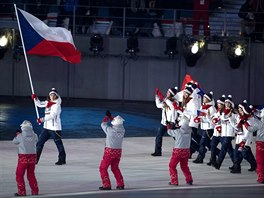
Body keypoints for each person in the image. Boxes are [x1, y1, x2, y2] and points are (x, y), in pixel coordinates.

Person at [32, 88, 66, 165]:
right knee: (40, 143)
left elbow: (52, 115)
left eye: (53, 95)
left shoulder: (57, 105)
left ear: (56, 96)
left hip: (55, 129)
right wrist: (35, 98)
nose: (52, 96)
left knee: (58, 144)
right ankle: (35, 160)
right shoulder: (48, 103)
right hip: (46, 128)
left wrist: (42, 119)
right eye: (51, 95)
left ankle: (62, 159)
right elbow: (40, 104)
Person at [99, 111, 125, 190]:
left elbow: (103, 124)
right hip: (118, 152)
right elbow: (116, 123)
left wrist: (107, 117)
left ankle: (107, 185)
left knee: (103, 168)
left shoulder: (110, 130)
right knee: (115, 168)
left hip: (109, 152)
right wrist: (110, 117)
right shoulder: (123, 130)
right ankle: (121, 184)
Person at [229, 100, 257, 174]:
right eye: (239, 109)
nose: (239, 111)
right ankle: (237, 168)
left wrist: (244, 140)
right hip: (239, 139)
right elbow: (236, 127)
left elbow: (248, 131)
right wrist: (230, 120)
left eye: (241, 110)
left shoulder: (250, 119)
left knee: (245, 154)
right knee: (236, 154)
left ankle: (254, 164)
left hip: (245, 140)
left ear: (244, 110)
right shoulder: (240, 118)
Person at [13, 120, 39, 196]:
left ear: (22, 128)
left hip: (23, 157)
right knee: (31, 174)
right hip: (33, 157)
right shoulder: (35, 135)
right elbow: (36, 141)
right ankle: (35, 191)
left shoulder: (20, 136)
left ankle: (22, 192)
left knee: (19, 175)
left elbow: (14, 141)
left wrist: (17, 135)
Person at [167, 114, 193, 186]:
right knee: (184, 166)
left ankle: (174, 181)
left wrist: (169, 127)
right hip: (186, 151)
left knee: (172, 166)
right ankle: (189, 179)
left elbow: (169, 132)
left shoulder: (178, 131)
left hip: (178, 151)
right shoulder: (190, 131)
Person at [151, 87, 178, 156]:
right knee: (158, 136)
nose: (167, 93)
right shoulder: (166, 101)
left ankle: (182, 150)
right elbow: (158, 105)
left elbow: (171, 106)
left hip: (171, 123)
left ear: (171, 94)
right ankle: (158, 152)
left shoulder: (174, 102)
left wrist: (164, 98)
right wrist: (157, 97)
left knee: (176, 137)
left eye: (168, 92)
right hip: (164, 123)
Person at [193, 91, 216, 164]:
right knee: (208, 143)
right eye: (204, 97)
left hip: (209, 128)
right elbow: (201, 116)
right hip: (204, 127)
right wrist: (198, 119)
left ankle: (200, 158)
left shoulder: (212, 108)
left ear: (209, 99)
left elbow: (213, 121)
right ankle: (215, 156)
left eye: (205, 98)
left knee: (202, 143)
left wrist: (206, 117)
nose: (204, 99)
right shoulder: (202, 106)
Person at [214, 95, 236, 170]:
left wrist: (227, 117)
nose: (226, 104)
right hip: (224, 133)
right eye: (225, 103)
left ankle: (218, 163)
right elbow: (222, 118)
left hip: (229, 133)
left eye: (228, 103)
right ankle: (236, 164)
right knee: (229, 150)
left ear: (231, 104)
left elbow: (232, 122)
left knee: (223, 149)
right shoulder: (223, 112)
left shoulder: (233, 113)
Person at [208, 94, 226, 166]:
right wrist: (209, 117)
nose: (218, 105)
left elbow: (225, 122)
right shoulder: (217, 112)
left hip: (222, 133)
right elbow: (213, 122)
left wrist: (220, 125)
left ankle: (236, 162)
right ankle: (212, 160)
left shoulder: (225, 112)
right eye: (218, 103)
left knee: (228, 149)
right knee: (212, 146)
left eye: (220, 104)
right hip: (216, 133)